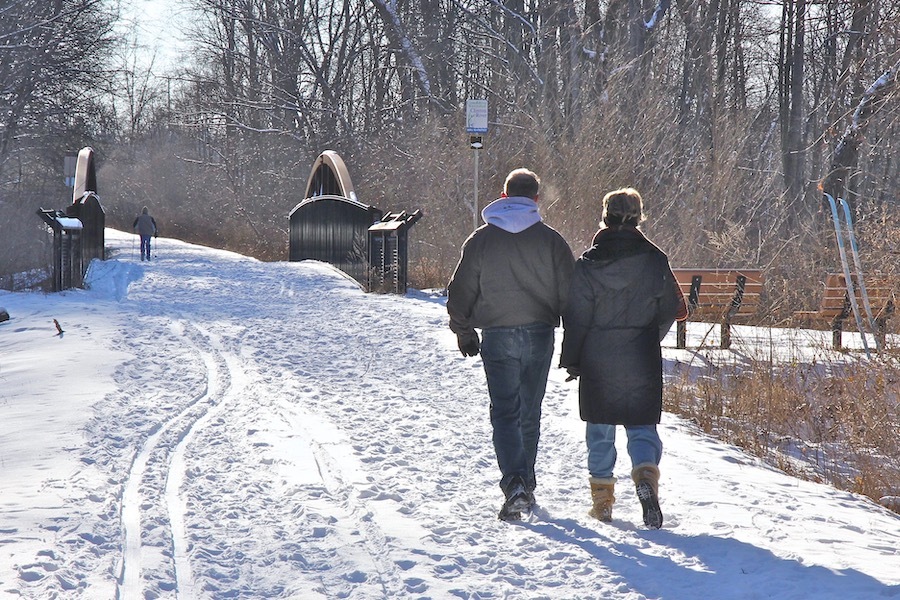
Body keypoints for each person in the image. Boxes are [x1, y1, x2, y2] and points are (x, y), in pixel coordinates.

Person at [447, 168, 575, 521]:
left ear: (504, 197)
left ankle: (514, 483)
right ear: (535, 199)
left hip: (498, 334)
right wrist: (575, 342)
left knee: (504, 412)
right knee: (529, 411)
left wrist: (463, 328)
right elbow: (571, 293)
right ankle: (526, 483)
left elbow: (461, 290)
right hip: (538, 332)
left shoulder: (481, 240)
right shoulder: (551, 241)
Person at [559, 187, 687, 529]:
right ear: (639, 216)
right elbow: (669, 309)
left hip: (598, 356)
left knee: (599, 429)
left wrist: (573, 359)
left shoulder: (587, 263)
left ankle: (602, 502)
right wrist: (648, 338)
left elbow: (576, 317)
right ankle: (646, 477)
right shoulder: (655, 259)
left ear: (606, 216)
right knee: (642, 425)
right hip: (640, 353)